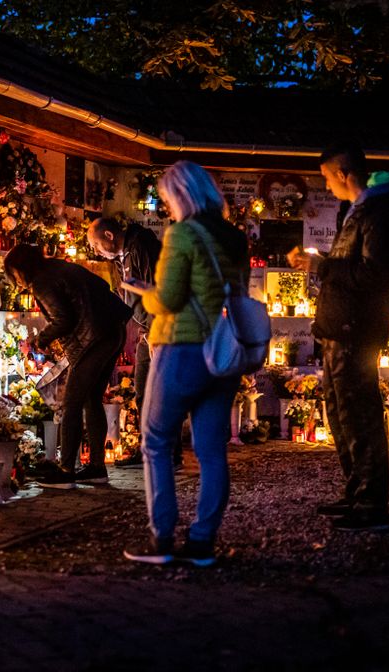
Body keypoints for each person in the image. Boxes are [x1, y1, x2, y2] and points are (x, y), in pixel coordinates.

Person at [122, 160, 248, 567]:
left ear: (180, 196)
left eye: (166, 199)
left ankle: (161, 538)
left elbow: (170, 299)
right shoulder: (234, 237)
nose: (166, 207)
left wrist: (145, 293)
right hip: (224, 351)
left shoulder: (182, 234)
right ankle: (202, 542)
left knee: (156, 439)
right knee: (212, 451)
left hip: (182, 347)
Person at [288, 141, 389, 532]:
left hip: (356, 329)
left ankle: (371, 503)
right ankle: (356, 491)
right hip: (339, 328)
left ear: (343, 173)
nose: (326, 187)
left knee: (359, 415)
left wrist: (323, 266)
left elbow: (373, 276)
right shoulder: (359, 211)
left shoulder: (381, 214)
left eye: (327, 178)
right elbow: (351, 267)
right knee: (341, 415)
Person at [4, 245, 131, 489]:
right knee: (92, 399)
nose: (16, 280)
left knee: (72, 403)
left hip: (91, 339)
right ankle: (96, 468)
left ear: (20, 269)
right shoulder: (60, 267)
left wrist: (41, 339)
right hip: (112, 331)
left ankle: (66, 471)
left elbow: (64, 318)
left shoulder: (42, 281)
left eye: (14, 274)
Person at [86, 217, 184, 470]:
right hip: (146, 330)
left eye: (96, 245)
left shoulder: (141, 246)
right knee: (146, 394)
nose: (96, 252)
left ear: (109, 235)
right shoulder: (123, 256)